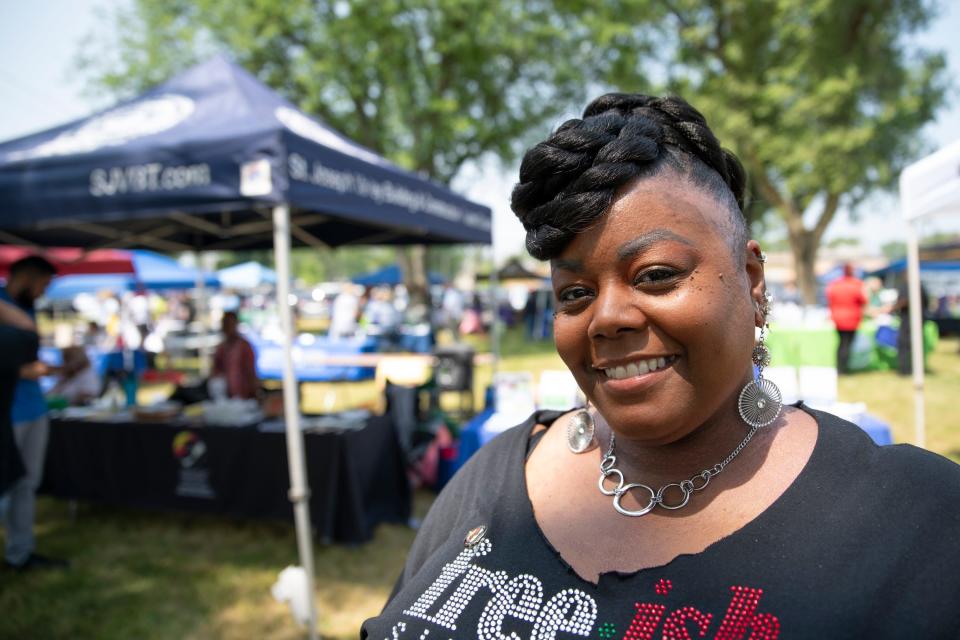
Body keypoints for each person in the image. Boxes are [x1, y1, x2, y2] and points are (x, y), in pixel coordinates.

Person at [362, 94, 960, 638]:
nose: (606, 318)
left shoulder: (921, 522)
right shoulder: (492, 476)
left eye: (656, 275)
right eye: (574, 294)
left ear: (752, 282)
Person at [0, 255, 68, 571]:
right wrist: (20, 371)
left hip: (33, 408)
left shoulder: (25, 309)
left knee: (27, 482)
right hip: (7, 413)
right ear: (27, 276)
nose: (43, 292)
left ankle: (20, 553)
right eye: (43, 284)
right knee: (5, 484)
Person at [825, 263, 867, 374]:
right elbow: (863, 300)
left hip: (838, 318)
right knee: (847, 344)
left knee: (841, 343)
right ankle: (844, 368)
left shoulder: (835, 284)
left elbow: (830, 299)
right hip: (852, 318)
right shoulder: (856, 284)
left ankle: (840, 368)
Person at [211, 311, 259, 400]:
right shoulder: (221, 348)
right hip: (226, 398)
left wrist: (254, 392)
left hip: (244, 397)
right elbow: (215, 371)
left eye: (231, 324)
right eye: (226, 324)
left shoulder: (244, 346)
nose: (228, 328)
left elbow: (251, 371)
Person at [892, 275, 930, 375]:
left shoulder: (908, 286)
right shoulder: (920, 286)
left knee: (905, 345)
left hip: (908, 320)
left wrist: (893, 307)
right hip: (917, 319)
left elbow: (905, 301)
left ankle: (905, 370)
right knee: (913, 345)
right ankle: (911, 369)